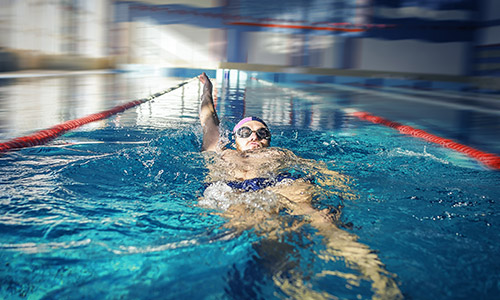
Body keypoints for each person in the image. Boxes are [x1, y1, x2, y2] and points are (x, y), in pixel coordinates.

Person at [198, 72, 403, 300]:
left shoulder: (280, 153)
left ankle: (381, 278)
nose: (254, 135)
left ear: (269, 139)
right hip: (234, 188)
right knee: (259, 226)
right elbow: (208, 118)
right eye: (245, 132)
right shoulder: (221, 152)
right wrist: (207, 87)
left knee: (323, 220)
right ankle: (300, 290)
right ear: (234, 139)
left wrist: (341, 186)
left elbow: (318, 168)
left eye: (262, 132)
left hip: (282, 184)